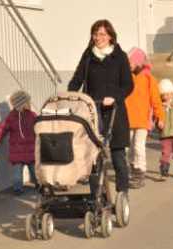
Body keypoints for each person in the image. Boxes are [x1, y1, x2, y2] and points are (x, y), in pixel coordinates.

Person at [68, 20, 133, 196]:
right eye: (95, 34)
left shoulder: (119, 56)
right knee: (93, 159)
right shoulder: (88, 56)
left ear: (110, 36)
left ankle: (122, 194)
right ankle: (97, 196)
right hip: (92, 111)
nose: (98, 38)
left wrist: (115, 98)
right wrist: (71, 96)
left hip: (115, 112)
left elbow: (128, 85)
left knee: (118, 157)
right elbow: (77, 79)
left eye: (102, 34)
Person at [125, 47, 165, 189]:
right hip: (127, 119)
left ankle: (139, 174)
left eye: (130, 61)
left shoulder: (148, 78)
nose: (128, 63)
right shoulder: (125, 77)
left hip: (142, 120)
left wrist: (160, 116)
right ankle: (132, 169)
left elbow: (156, 99)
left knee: (138, 146)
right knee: (129, 147)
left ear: (138, 62)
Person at [0, 90, 38, 195]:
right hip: (18, 151)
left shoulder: (32, 115)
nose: (29, 104)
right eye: (27, 102)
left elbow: (39, 126)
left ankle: (38, 185)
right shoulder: (12, 116)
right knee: (17, 174)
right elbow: (2, 128)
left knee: (35, 172)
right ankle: (18, 188)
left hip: (30, 150)